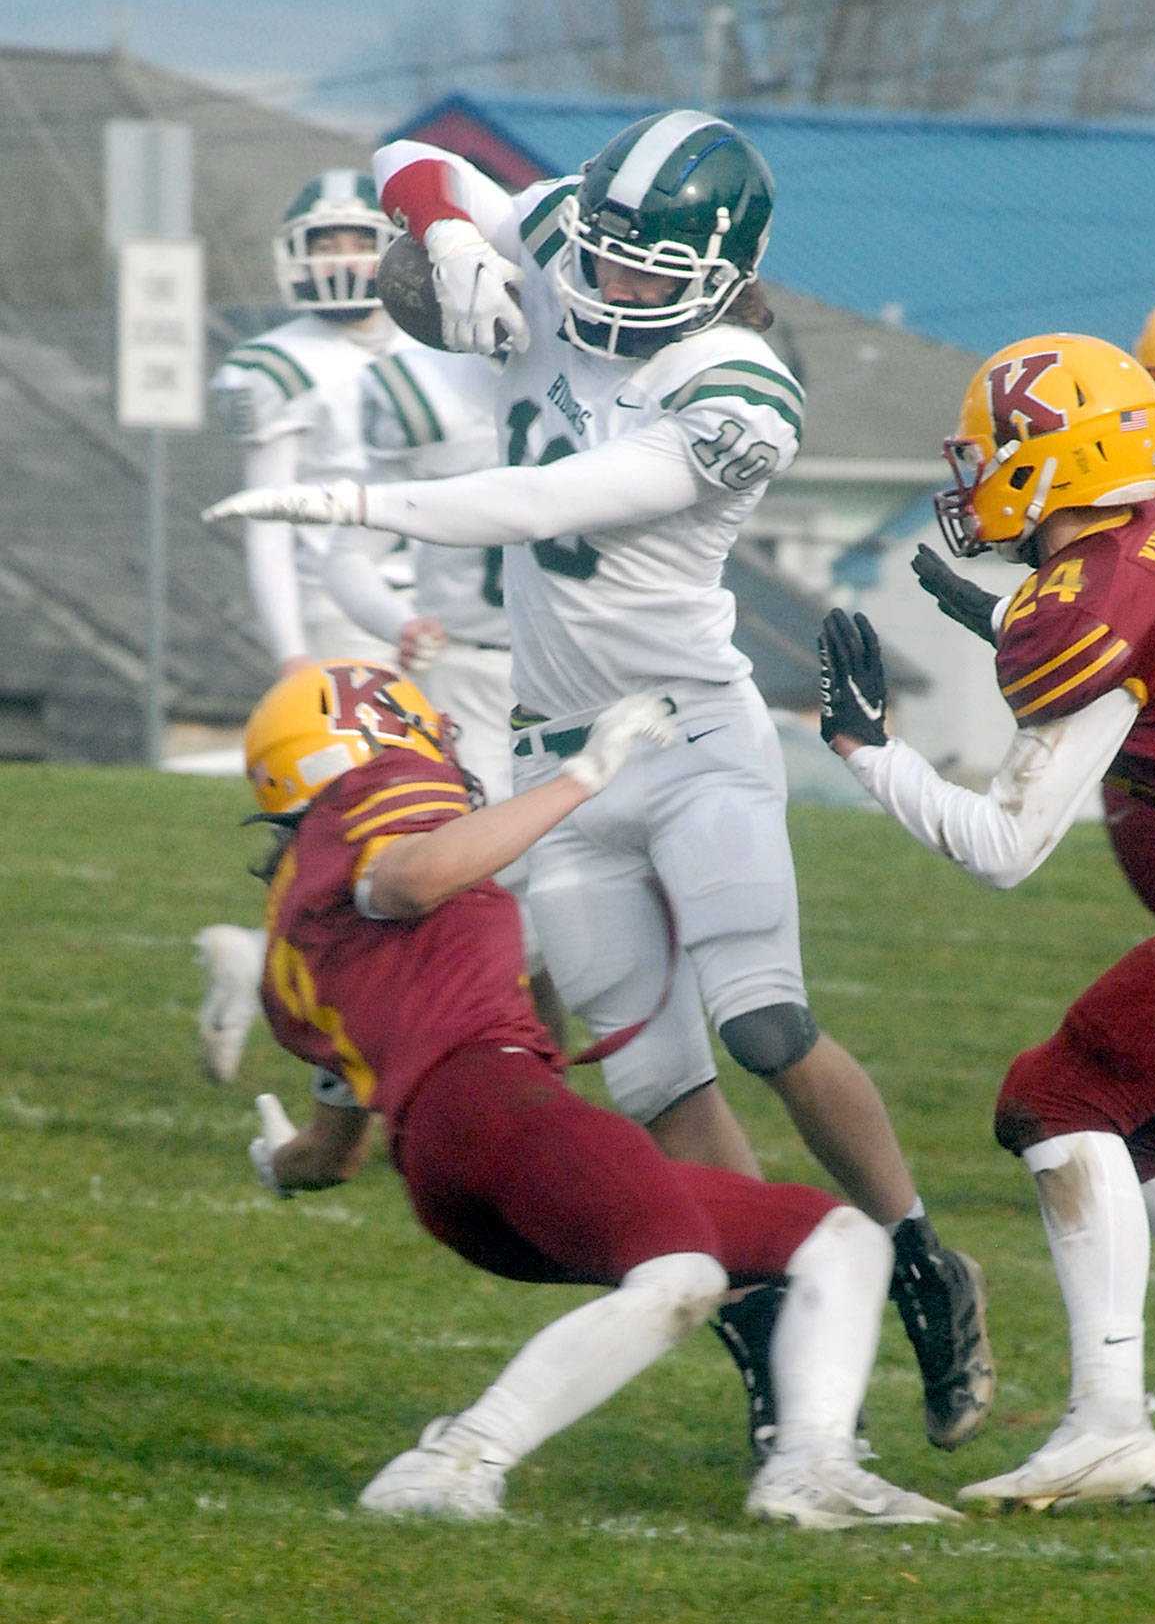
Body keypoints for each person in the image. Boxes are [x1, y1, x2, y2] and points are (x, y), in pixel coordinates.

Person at [202, 107, 995, 1459]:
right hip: (549, 743)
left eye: (645, 266)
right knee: (656, 1082)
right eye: (606, 250)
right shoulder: (578, 230)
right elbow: (407, 159)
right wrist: (446, 229)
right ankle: (783, 1342)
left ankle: (921, 1256)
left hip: (688, 734)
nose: (608, 278)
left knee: (763, 1026)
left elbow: (541, 504)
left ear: (719, 271)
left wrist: (352, 504)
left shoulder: (741, 391)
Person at [236, 656, 960, 1528]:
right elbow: (407, 878)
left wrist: (280, 1166)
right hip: (492, 1103)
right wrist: (585, 773)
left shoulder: (297, 922)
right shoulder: (380, 792)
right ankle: (454, 1458)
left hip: (450, 1159)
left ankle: (813, 1465)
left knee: (836, 1238)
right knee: (681, 1271)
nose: (437, 740)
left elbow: (332, 1150)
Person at [822, 330, 1155, 1512]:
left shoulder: (1095, 598)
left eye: (989, 453)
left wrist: (867, 752)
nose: (973, 475)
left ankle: (1107, 1423)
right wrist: (1010, 620)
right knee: (1138, 1131)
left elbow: (1002, 848)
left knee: (1058, 1097)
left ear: (1048, 460)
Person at [916, 288, 1155, 1162]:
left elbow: (1123, 623)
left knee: (1080, 1094)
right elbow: (1137, 626)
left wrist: (867, 749)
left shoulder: (1136, 533)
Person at [196, 170, 411, 1085]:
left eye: (358, 238)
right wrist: (292, 650)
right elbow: (268, 519)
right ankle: (312, 1002)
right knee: (364, 831)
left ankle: (265, 964)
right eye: (325, 243)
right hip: (343, 614)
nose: (343, 258)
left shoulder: (437, 342)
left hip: (446, 607)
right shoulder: (278, 364)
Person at [320, 345, 562, 1038]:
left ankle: (540, 1073)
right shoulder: (424, 389)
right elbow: (349, 556)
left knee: (566, 902)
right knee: (472, 890)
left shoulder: (615, 378)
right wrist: (398, 622)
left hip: (579, 677)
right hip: (468, 681)